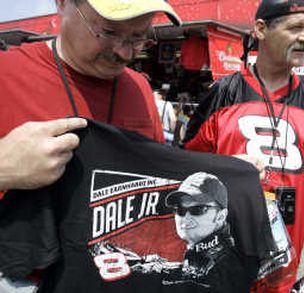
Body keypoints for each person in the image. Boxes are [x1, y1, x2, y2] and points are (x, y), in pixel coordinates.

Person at [0, 0, 181, 290]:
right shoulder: (6, 74)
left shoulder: (140, 89)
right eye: (109, 31)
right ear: (63, 4)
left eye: (139, 36)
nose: (124, 52)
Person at [182, 0, 304, 292]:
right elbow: (185, 166)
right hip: (221, 253)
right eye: (295, 27)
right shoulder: (223, 92)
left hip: (282, 259)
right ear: (261, 29)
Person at [163, 172, 248, 292]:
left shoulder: (227, 264)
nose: (185, 217)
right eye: (180, 210)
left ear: (221, 216)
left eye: (197, 209)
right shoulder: (202, 258)